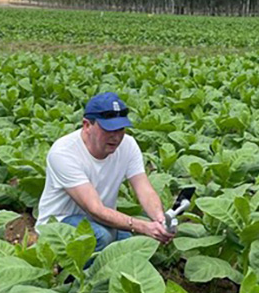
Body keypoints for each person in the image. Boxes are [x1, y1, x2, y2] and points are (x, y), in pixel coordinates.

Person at [34, 91, 172, 250]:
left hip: (100, 221)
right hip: (58, 225)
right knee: (101, 237)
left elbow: (144, 189)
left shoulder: (128, 145)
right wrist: (143, 226)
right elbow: (95, 209)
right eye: (109, 129)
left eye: (121, 129)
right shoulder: (63, 152)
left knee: (128, 243)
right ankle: (71, 273)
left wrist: (160, 220)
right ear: (87, 125)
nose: (116, 137)